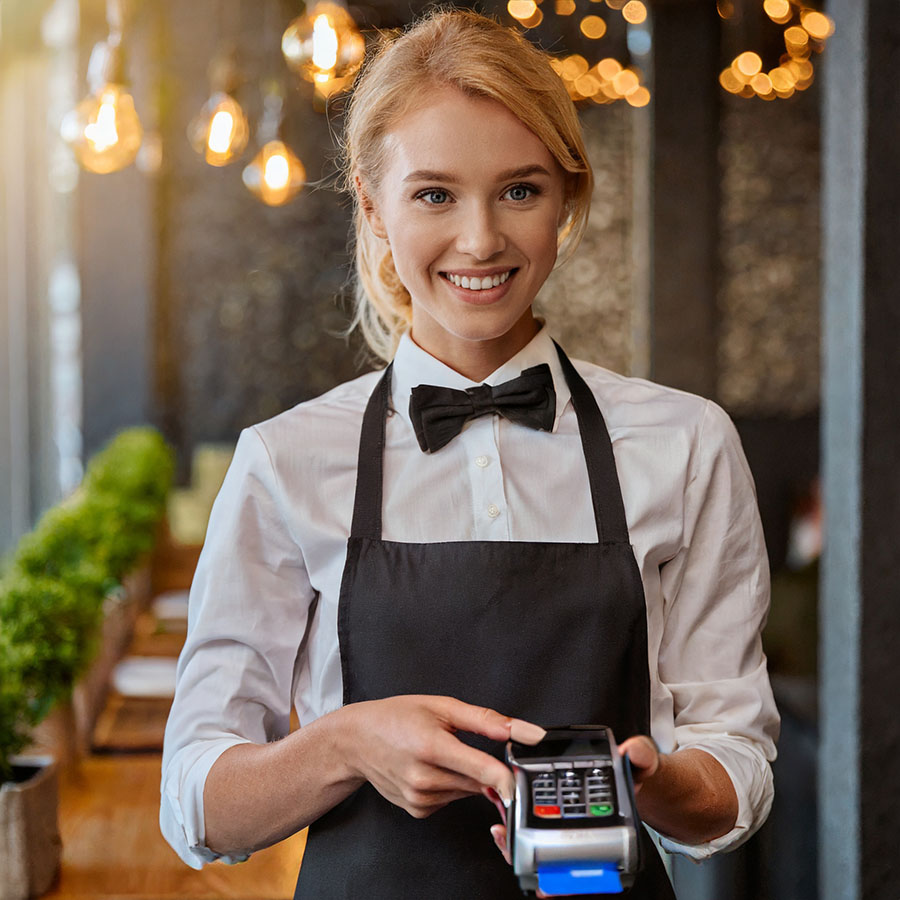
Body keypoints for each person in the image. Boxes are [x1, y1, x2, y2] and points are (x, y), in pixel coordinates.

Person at [160, 10, 779, 898]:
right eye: (434, 194)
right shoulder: (286, 460)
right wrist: (345, 745)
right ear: (373, 207)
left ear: (567, 197)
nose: (481, 239)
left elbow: (735, 767)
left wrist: (658, 783)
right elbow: (198, 804)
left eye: (519, 190)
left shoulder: (684, 443)